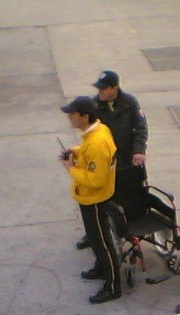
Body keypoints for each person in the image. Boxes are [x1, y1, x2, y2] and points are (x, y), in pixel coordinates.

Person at [76, 70, 148, 254]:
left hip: (127, 157)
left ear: (114, 88)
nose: (99, 92)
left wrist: (139, 150)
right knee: (103, 197)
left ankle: (129, 225)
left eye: (103, 88)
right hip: (106, 159)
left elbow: (141, 127)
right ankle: (94, 233)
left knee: (130, 191)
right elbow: (88, 132)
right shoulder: (94, 105)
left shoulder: (130, 103)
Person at [60, 96, 122, 304]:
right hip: (90, 198)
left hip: (94, 199)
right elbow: (90, 155)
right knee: (96, 240)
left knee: (102, 242)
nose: (70, 117)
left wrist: (72, 169)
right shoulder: (98, 131)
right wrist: (76, 152)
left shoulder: (96, 142)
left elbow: (96, 179)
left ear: (84, 117)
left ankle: (113, 285)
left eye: (72, 114)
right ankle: (101, 268)